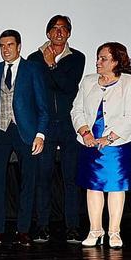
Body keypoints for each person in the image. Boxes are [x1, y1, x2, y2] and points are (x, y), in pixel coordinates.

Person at [70, 42, 131, 249]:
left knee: (116, 188)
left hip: (117, 145)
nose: (98, 62)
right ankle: (95, 230)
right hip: (90, 144)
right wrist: (85, 132)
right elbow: (76, 110)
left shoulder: (130, 82)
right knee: (93, 188)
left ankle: (114, 232)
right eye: (98, 58)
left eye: (104, 59)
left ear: (117, 61)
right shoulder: (88, 81)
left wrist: (109, 138)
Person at [0, 30, 49, 247]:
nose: (5, 49)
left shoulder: (32, 69)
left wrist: (40, 135)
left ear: (19, 47)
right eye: (2, 45)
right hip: (1, 132)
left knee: (27, 182)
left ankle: (23, 230)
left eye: (10, 45)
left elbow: (43, 107)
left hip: (26, 133)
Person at [27, 15, 86, 243]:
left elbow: (68, 85)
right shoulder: (33, 58)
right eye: (54, 28)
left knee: (70, 178)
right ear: (48, 33)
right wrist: (49, 67)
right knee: (43, 177)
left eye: (63, 29)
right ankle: (42, 226)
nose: (59, 32)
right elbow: (39, 89)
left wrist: (51, 65)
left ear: (69, 33)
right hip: (45, 126)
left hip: (70, 124)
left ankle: (72, 227)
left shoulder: (77, 58)